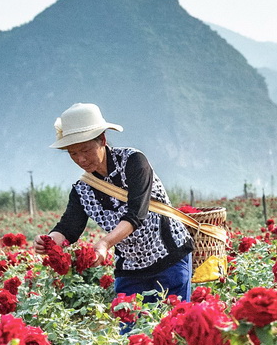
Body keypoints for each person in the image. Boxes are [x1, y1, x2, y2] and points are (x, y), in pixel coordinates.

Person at [34, 103, 194, 304]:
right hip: (130, 270)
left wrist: (104, 243)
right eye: (73, 153)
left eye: (85, 149)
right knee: (129, 332)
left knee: (173, 328)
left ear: (102, 139)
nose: (81, 159)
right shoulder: (83, 189)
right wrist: (48, 241)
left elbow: (136, 214)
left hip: (169, 258)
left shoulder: (134, 162)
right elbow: (68, 228)